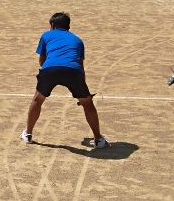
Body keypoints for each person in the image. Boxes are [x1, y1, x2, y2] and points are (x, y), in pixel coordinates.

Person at [21, 12, 109, 149]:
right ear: (68, 26)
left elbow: (42, 61)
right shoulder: (78, 40)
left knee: (37, 100)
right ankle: (98, 139)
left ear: (52, 25)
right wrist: (83, 92)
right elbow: (80, 66)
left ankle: (28, 134)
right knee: (88, 104)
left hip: (50, 69)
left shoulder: (46, 35)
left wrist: (48, 73)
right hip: (73, 71)